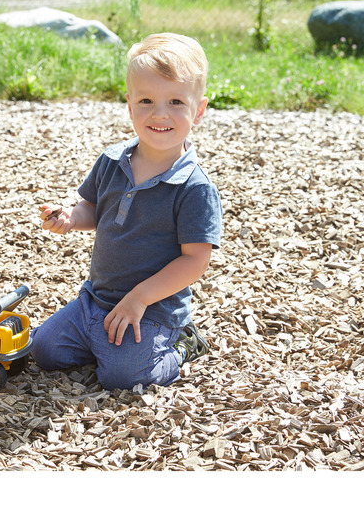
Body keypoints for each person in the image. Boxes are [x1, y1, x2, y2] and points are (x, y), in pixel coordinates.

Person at [31, 33, 222, 391]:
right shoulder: (113, 160)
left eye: (176, 101)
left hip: (152, 310)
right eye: (147, 100)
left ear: (198, 110)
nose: (160, 113)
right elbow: (94, 208)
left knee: (123, 378)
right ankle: (104, 341)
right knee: (44, 349)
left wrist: (140, 298)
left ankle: (181, 344)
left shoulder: (194, 187)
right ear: (130, 106)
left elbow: (195, 260)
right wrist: (71, 219)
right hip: (96, 298)